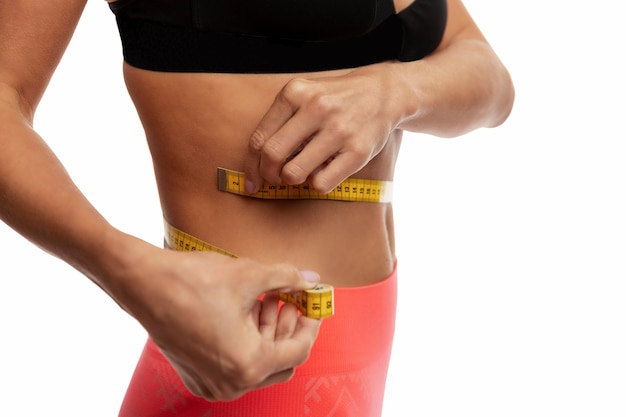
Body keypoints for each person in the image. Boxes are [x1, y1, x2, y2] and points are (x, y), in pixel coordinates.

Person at [0, 0, 514, 416]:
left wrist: (398, 91)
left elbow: (487, 74)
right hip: (249, 348)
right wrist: (129, 270)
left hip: (363, 345)